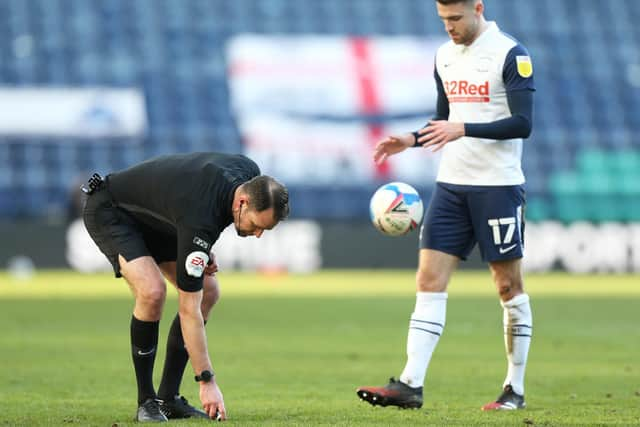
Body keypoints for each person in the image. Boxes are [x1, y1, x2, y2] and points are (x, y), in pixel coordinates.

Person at [356, 0, 535, 411]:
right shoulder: (444, 56)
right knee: (428, 280)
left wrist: (464, 127)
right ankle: (409, 384)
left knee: (508, 287)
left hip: (498, 187)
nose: (449, 27)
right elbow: (443, 119)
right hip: (451, 187)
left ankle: (515, 389)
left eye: (455, 18)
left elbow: (523, 123)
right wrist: (411, 139)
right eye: (443, 20)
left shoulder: (511, 54)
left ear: (478, 8)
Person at [82, 152, 289, 422]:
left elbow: (198, 206)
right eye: (257, 225)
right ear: (242, 201)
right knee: (152, 291)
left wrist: (200, 248)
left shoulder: (248, 173)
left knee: (210, 293)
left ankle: (168, 399)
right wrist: (206, 381)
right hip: (114, 211)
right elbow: (188, 309)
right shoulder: (200, 217)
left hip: (163, 220)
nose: (258, 234)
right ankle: (146, 401)